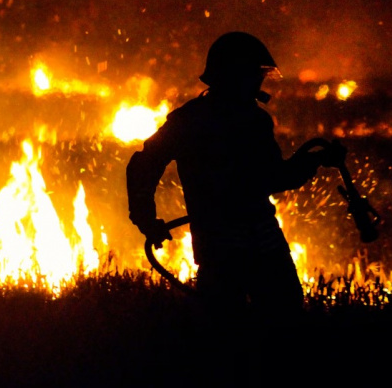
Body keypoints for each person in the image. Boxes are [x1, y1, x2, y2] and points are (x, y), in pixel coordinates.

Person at [126, 32, 337, 330]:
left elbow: (142, 165)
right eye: (253, 74)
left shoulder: (191, 120)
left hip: (225, 247)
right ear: (235, 75)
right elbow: (274, 178)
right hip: (249, 247)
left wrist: (146, 219)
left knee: (226, 331)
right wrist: (313, 161)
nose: (258, 82)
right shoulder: (250, 121)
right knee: (278, 325)